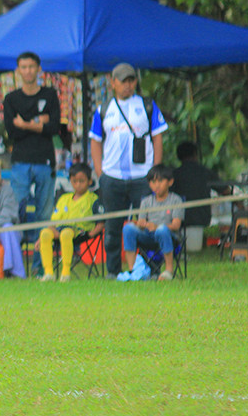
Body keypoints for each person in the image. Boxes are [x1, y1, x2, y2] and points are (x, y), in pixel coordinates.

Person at [89, 63, 168, 277]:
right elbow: (95, 140)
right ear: (112, 82)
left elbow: (158, 137)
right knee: (113, 226)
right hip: (112, 177)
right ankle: (113, 271)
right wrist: (100, 172)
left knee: (144, 224)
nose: (128, 85)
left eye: (131, 80)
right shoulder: (104, 109)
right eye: (123, 80)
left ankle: (147, 269)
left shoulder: (147, 105)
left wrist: (155, 172)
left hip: (142, 177)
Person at [3, 51, 61, 232]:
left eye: (31, 67)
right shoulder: (11, 99)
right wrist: (38, 122)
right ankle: (17, 258)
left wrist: (25, 123)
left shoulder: (50, 94)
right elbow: (12, 132)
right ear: (18, 70)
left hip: (45, 160)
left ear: (39, 69)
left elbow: (54, 128)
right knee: (16, 211)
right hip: (20, 161)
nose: (28, 71)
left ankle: (39, 260)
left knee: (44, 213)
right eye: (24, 67)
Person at [36, 163, 105, 282]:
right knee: (45, 233)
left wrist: (91, 234)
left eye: (81, 181)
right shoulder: (64, 198)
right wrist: (41, 238)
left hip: (81, 233)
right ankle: (48, 273)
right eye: (74, 181)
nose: (78, 184)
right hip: (60, 230)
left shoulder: (93, 199)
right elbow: (54, 221)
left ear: (89, 181)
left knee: (66, 233)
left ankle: (65, 273)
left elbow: (101, 222)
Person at [119, 164, 184, 281]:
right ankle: (134, 270)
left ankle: (168, 270)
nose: (156, 185)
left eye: (160, 181)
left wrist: (156, 226)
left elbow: (176, 225)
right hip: (148, 236)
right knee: (128, 228)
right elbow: (141, 221)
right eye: (153, 182)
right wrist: (141, 224)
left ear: (170, 182)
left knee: (162, 230)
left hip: (169, 236)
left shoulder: (176, 200)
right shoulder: (146, 201)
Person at [173, 141, 228, 249]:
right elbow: (225, 190)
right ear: (195, 155)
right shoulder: (205, 172)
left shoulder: (174, 175)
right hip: (203, 217)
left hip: (179, 219)